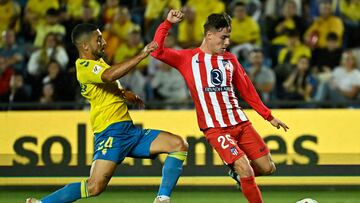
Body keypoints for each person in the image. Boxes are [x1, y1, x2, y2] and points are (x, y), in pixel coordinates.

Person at [26, 23, 188, 203]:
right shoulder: (84, 66)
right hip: (110, 132)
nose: (104, 43)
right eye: (99, 39)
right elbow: (109, 76)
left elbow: (108, 84)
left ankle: (162, 198)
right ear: (85, 45)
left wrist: (125, 94)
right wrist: (142, 54)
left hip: (129, 131)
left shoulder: (99, 62)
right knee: (94, 187)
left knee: (178, 144)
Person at [151, 10, 289, 203]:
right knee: (246, 169)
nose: (227, 42)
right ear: (209, 35)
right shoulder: (188, 58)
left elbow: (247, 90)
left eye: (228, 38)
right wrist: (167, 23)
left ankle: (238, 175)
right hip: (216, 129)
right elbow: (156, 51)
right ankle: (242, 175)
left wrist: (268, 116)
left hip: (241, 123)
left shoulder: (230, 59)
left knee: (268, 168)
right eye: (223, 37)